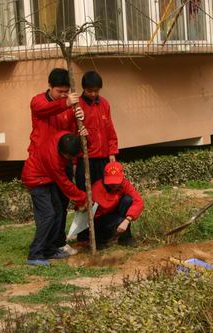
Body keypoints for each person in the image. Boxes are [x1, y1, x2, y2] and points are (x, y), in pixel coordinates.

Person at [27, 68, 86, 256]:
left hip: (62, 159)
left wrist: (80, 125)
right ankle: (42, 247)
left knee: (60, 206)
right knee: (49, 211)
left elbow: (71, 135)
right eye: (59, 91)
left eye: (66, 91)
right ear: (50, 87)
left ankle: (57, 243)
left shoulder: (70, 107)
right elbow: (43, 110)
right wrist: (66, 103)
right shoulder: (38, 101)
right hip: (43, 163)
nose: (62, 95)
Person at [22, 131, 87, 266]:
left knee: (58, 211)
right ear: (61, 151)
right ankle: (35, 254)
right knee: (48, 215)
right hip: (36, 180)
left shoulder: (64, 136)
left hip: (47, 178)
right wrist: (83, 198)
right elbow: (65, 184)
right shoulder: (54, 159)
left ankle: (50, 250)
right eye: (68, 156)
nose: (69, 158)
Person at [77, 161, 144, 249]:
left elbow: (138, 201)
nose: (114, 184)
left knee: (127, 200)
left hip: (114, 213)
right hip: (100, 220)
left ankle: (125, 238)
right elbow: (83, 213)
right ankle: (102, 239)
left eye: (117, 181)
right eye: (111, 181)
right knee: (118, 220)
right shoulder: (96, 189)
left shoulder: (125, 184)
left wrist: (127, 220)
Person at [73, 71, 119, 188]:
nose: (93, 94)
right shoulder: (77, 105)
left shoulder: (105, 104)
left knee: (103, 190)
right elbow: (72, 132)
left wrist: (112, 152)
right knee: (85, 189)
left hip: (103, 157)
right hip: (85, 157)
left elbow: (110, 129)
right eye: (90, 91)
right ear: (84, 89)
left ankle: (99, 207)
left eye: (96, 91)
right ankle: (86, 207)